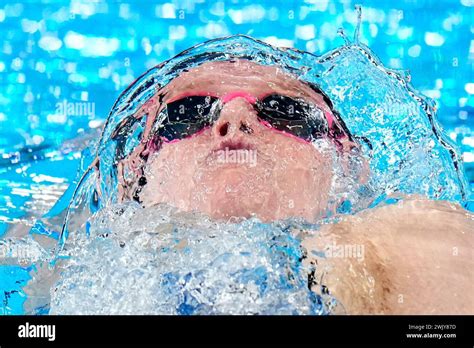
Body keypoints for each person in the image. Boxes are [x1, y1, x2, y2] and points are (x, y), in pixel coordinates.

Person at [110, 58, 472, 314]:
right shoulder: (65, 266)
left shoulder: (415, 239)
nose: (234, 118)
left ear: (347, 165)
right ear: (133, 172)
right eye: (186, 113)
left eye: (284, 110)